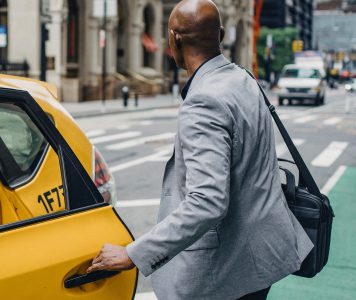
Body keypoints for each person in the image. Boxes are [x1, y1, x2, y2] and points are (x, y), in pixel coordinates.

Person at [86, 0, 314, 299]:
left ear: (174, 39)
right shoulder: (244, 79)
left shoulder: (204, 101)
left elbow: (207, 201)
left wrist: (133, 254)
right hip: (262, 255)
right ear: (220, 35)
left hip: (227, 269)